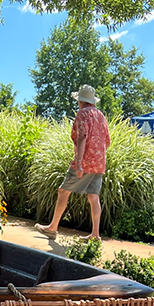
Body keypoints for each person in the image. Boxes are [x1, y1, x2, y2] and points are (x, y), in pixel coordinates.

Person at [35, 84, 111, 240]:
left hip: (86, 162)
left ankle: (52, 228)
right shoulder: (100, 115)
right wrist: (98, 156)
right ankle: (95, 234)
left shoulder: (82, 114)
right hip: (99, 163)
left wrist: (79, 163)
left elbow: (82, 137)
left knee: (63, 191)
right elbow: (107, 141)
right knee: (93, 196)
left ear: (81, 101)